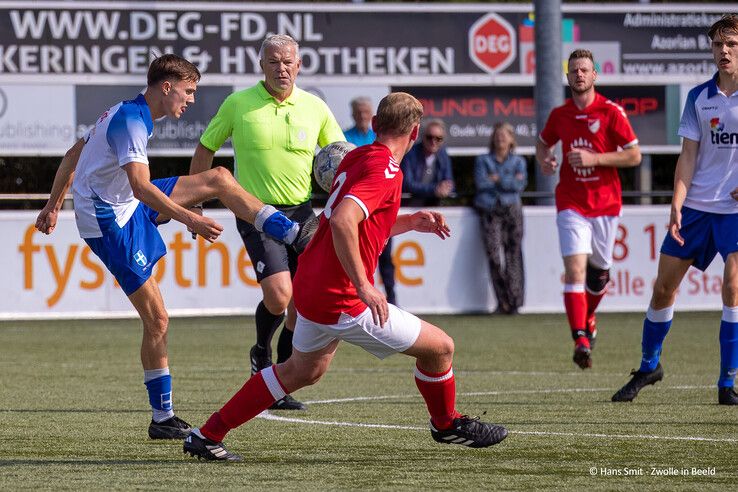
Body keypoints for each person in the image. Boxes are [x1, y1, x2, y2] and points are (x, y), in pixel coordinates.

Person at [183, 92, 508, 461]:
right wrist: (363, 284)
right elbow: (341, 220)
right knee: (441, 349)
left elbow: (354, 220)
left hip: (311, 284)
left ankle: (207, 434)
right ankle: (446, 424)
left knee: (301, 371)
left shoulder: (358, 155)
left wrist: (408, 223)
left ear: (375, 126)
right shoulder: (386, 168)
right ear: (414, 132)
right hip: (340, 297)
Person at [34, 54, 314, 439]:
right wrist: (191, 218)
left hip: (126, 205)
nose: (192, 99)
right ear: (166, 87)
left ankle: (293, 233)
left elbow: (73, 155)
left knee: (217, 176)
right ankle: (162, 418)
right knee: (158, 320)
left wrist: (51, 206)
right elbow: (141, 187)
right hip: (108, 223)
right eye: (188, 91)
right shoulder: (131, 121)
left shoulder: (126, 111)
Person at [189, 34, 345, 411]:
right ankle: (261, 353)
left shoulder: (315, 107)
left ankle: (280, 380)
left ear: (299, 65)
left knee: (303, 300)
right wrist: (194, 207)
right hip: (255, 211)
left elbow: (341, 158)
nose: (282, 68)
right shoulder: (238, 104)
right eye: (274, 61)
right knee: (280, 295)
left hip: (303, 213)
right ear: (261, 66)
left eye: (288, 61)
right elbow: (205, 148)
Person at [612, 15, 738, 405]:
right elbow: (687, 157)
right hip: (697, 208)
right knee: (663, 287)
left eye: (731, 43)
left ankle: (726, 382)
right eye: (718, 44)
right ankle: (650, 365)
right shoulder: (698, 97)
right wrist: (676, 205)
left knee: (733, 287)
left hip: (734, 214)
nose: (724, 51)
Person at [536, 49, 641, 370]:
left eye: (584, 70)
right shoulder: (559, 114)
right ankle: (580, 338)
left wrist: (595, 159)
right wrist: (545, 160)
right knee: (576, 271)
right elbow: (543, 143)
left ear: (594, 75)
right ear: (567, 78)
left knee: (599, 275)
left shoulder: (611, 112)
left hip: (606, 203)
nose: (579, 75)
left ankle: (589, 316)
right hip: (571, 201)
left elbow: (634, 155)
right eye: (574, 71)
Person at [344, 97, 397, 305]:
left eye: (366, 113)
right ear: (353, 114)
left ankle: (392, 299)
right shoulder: (345, 138)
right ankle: (358, 297)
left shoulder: (379, 138)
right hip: (356, 203)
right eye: (359, 113)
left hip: (379, 206)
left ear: (372, 116)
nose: (362, 116)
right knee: (358, 254)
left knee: (386, 258)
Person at [474, 122, 527, 315]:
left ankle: (514, 302)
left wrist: (498, 179)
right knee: (495, 257)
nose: (500, 139)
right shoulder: (483, 160)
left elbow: (519, 185)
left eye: (504, 136)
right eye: (497, 136)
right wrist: (506, 181)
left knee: (514, 255)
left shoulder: (519, 162)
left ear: (511, 139)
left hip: (512, 211)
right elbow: (481, 183)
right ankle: (502, 300)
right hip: (490, 211)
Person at [400, 118, 455, 207]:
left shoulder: (443, 154)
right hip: (408, 206)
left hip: (434, 206)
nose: (433, 142)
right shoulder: (410, 153)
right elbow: (407, 184)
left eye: (438, 138)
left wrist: (446, 188)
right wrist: (434, 189)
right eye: (429, 137)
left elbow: (449, 181)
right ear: (422, 137)